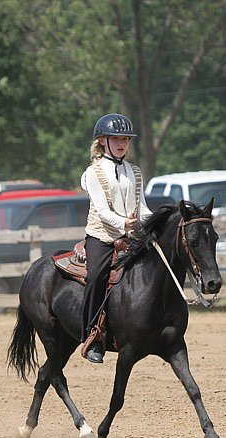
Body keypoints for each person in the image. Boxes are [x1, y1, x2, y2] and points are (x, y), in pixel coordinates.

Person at [80, 113, 152, 363]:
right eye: (116, 138)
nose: (122, 143)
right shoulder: (94, 172)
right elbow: (102, 212)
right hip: (102, 236)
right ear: (102, 141)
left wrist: (156, 223)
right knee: (96, 276)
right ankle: (91, 334)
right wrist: (125, 223)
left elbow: (142, 207)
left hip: (131, 235)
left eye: (126, 139)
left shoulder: (135, 171)